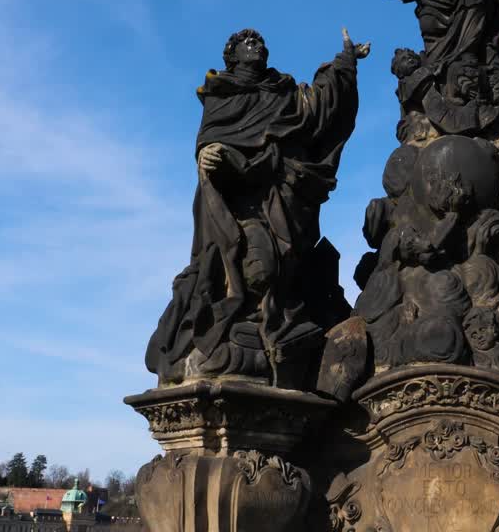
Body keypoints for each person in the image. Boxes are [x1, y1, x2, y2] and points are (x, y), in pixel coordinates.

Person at [145, 28, 369, 387]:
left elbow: (320, 106)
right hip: (241, 202)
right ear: (232, 53)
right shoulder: (223, 93)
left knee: (285, 267)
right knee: (256, 265)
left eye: (262, 42)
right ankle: (247, 326)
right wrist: (209, 156)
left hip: (281, 193)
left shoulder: (282, 91)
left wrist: (344, 62)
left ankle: (275, 335)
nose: (259, 46)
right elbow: (209, 140)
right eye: (249, 43)